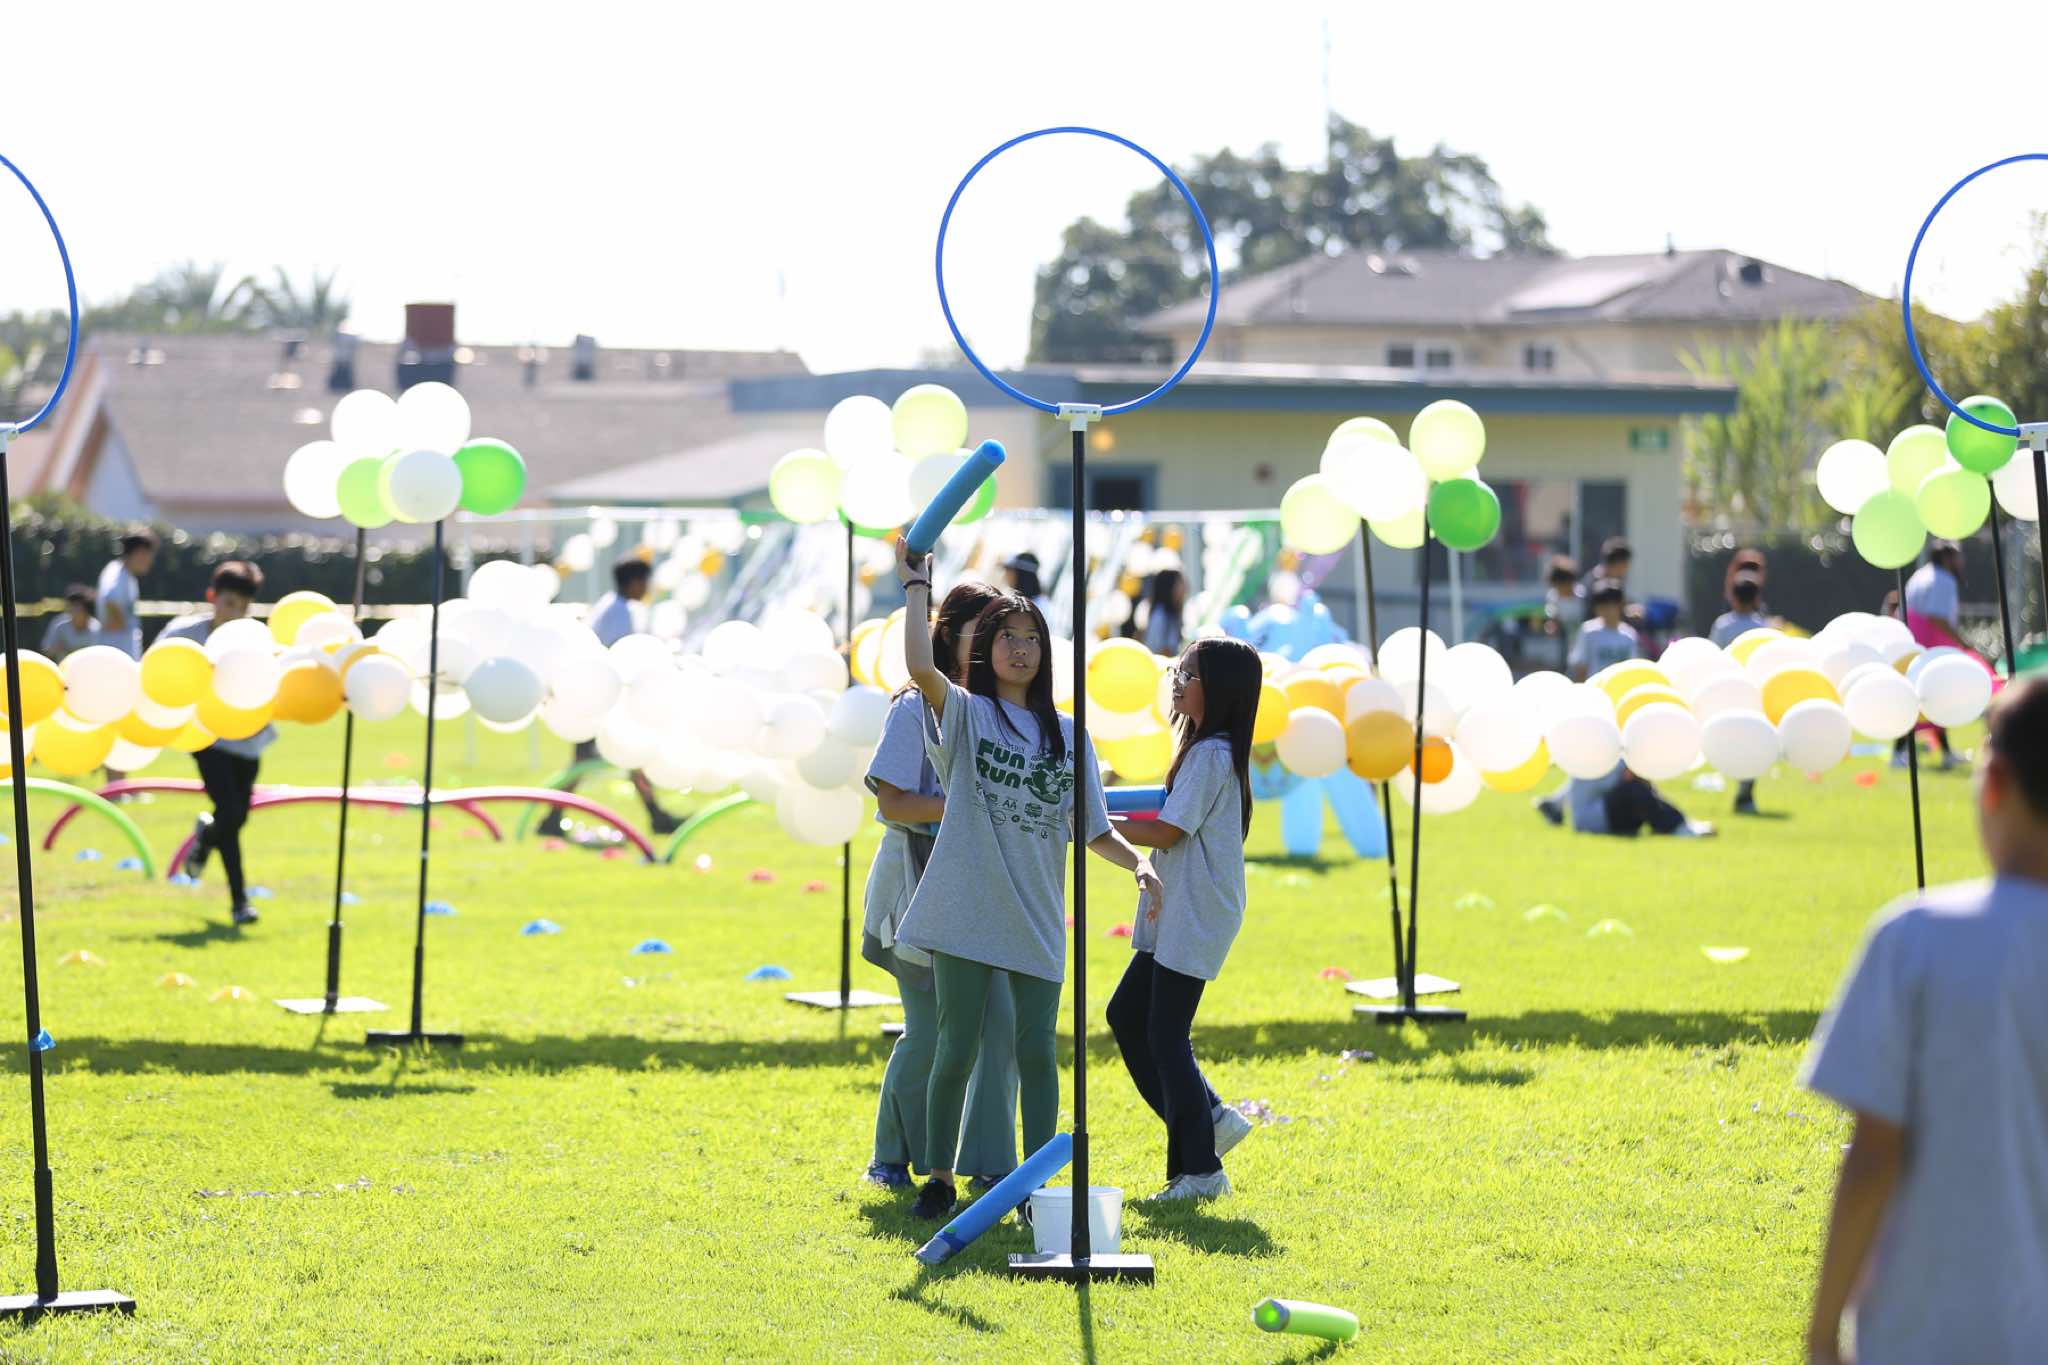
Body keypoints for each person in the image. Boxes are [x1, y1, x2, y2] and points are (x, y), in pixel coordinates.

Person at [892, 538, 1163, 1221]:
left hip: (1038, 914)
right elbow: (920, 665)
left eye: (1032, 637)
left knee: (1038, 1051)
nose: (1021, 649)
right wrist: (916, 586)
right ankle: (939, 1178)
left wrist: (1138, 862)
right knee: (955, 1047)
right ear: (985, 651)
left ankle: (1038, 1186)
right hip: (964, 905)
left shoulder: (1069, 734)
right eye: (1007, 637)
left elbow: (1092, 827)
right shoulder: (967, 712)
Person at [1801, 674, 2048, 1365]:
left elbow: (1876, 1154)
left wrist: (1822, 1333)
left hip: (1929, 1331)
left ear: (1993, 782)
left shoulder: (1916, 938)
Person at [861, 579, 1021, 1194]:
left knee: (1000, 1031)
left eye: (1005, 634)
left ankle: (990, 1167)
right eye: (985, 630)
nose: (997, 645)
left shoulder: (1008, 707)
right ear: (949, 633)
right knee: (931, 1034)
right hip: (919, 886)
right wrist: (967, 807)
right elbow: (895, 802)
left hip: (993, 893)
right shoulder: (915, 707)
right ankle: (891, 1158)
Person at [1108, 635, 1261, 1201]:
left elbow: (1167, 831)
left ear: (1219, 690)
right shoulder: (1203, 748)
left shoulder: (1213, 754)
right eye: (1179, 670)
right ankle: (1210, 1118)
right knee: (1128, 1016)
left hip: (1197, 909)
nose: (1177, 681)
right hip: (1179, 903)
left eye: (1188, 675)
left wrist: (1092, 821)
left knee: (1165, 1034)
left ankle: (1200, 1170)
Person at [166, 562, 275, 927]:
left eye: (242, 607)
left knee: (236, 817)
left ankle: (206, 838)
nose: (234, 613)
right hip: (206, 738)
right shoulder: (183, 636)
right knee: (228, 809)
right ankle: (240, 901)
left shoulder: (256, 640)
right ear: (212, 598)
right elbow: (157, 672)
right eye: (229, 604)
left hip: (247, 737)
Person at [543, 556, 680, 837]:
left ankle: (656, 816)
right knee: (604, 760)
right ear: (634, 582)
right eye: (645, 582)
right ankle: (552, 817)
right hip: (598, 700)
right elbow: (621, 658)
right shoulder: (618, 613)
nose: (647, 588)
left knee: (622, 758)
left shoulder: (612, 606)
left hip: (595, 698)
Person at [1896, 542, 1965, 772]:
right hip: (1929, 642)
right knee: (1924, 698)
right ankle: (1899, 752)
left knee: (1930, 697)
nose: (1961, 562)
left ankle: (1945, 753)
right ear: (1947, 558)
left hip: (1914, 641)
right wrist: (1962, 641)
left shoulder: (1921, 574)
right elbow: (1937, 617)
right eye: (1958, 557)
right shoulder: (1943, 579)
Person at [1712, 573, 1773, 817]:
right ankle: (1746, 792)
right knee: (1752, 739)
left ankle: (1739, 783)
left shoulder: (1723, 625)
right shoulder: (1761, 626)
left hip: (1728, 689)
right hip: (1753, 691)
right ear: (1756, 598)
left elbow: (1715, 655)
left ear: (1732, 597)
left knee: (1732, 737)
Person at [1538, 760, 1715, 838]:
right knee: (1634, 789)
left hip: (1602, 817)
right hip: (1591, 821)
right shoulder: (1600, 759)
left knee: (1638, 789)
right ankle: (1677, 827)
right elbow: (1630, 782)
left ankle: (1680, 824)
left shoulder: (1597, 755)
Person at [95, 529, 157, 661]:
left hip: (121, 654)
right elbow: (110, 599)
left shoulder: (127, 575)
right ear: (139, 552)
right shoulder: (116, 573)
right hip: (115, 656)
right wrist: (123, 628)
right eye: (148, 555)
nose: (150, 561)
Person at [1567, 579, 1640, 682]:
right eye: (1603, 606)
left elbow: (1633, 668)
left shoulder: (1629, 634)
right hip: (1595, 687)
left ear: (1620, 606)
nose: (1608, 611)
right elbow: (1580, 665)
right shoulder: (1588, 631)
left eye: (1612, 606)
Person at [1543, 555, 1584, 672]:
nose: (1560, 589)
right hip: (1566, 643)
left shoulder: (1582, 596)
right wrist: (1552, 625)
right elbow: (1552, 618)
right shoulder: (1553, 597)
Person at [40, 585, 100, 662]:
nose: (73, 610)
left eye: (77, 607)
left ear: (87, 611)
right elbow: (45, 649)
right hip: (63, 668)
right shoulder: (60, 624)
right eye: (72, 605)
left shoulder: (96, 628)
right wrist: (55, 648)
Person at [1139, 568, 1187, 656]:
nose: (1185, 590)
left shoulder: (1172, 616)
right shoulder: (1160, 616)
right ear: (1169, 587)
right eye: (1180, 584)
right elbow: (1161, 652)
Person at [1000, 552, 1053, 622]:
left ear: (1021, 574)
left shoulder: (1039, 607)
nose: (1005, 575)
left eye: (1009, 570)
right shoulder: (1014, 598)